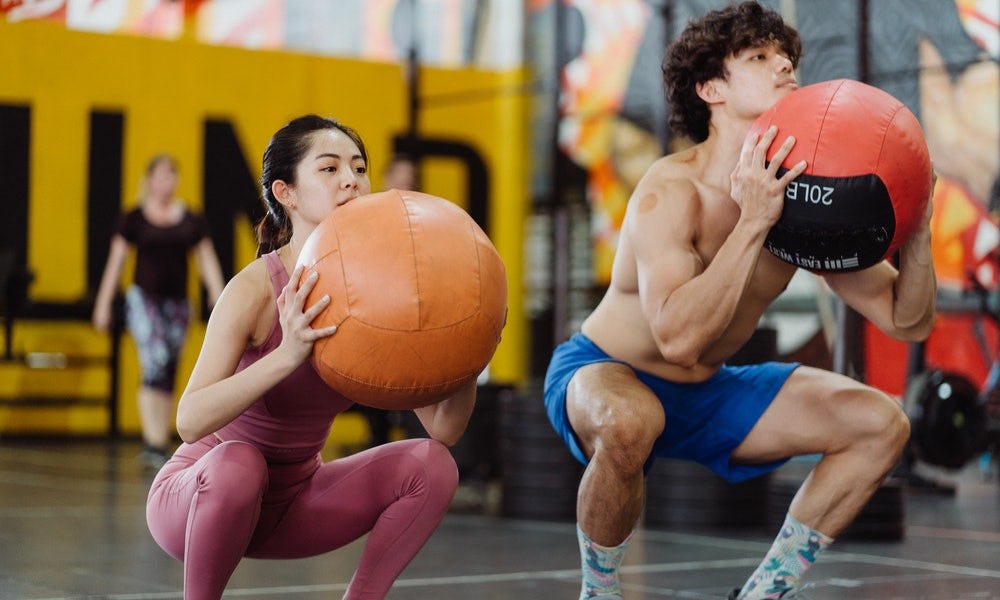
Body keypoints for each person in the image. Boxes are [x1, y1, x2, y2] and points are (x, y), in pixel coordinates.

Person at [542, 3, 937, 599]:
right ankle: (599, 593)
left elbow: (908, 320)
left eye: (786, 57)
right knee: (631, 422)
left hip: (710, 390)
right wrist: (754, 222)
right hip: (606, 372)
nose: (783, 66)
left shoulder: (800, 200)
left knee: (881, 424)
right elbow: (676, 339)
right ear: (710, 89)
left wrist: (920, 229)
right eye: (758, 57)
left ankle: (765, 593)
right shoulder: (672, 190)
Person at [145, 114, 474, 600]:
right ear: (287, 193)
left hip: (294, 505)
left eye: (359, 168)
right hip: (201, 498)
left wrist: (469, 343)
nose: (351, 180)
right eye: (330, 168)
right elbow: (190, 419)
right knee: (240, 462)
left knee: (433, 465)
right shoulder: (256, 288)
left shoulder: (381, 293)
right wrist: (287, 353)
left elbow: (444, 429)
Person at [92, 154, 225, 470]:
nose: (168, 182)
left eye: (173, 175)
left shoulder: (190, 219)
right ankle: (152, 440)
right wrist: (103, 303)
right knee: (153, 361)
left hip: (177, 303)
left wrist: (219, 293)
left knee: (169, 368)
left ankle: (160, 439)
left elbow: (206, 258)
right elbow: (117, 262)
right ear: (150, 179)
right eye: (162, 176)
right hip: (144, 300)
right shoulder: (134, 218)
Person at [354, 152, 422, 448]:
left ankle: (405, 447)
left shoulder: (423, 219)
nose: (405, 183)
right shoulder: (367, 218)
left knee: (412, 386)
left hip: (409, 317)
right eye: (401, 177)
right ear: (386, 178)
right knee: (375, 389)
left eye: (410, 179)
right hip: (374, 315)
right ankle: (377, 444)